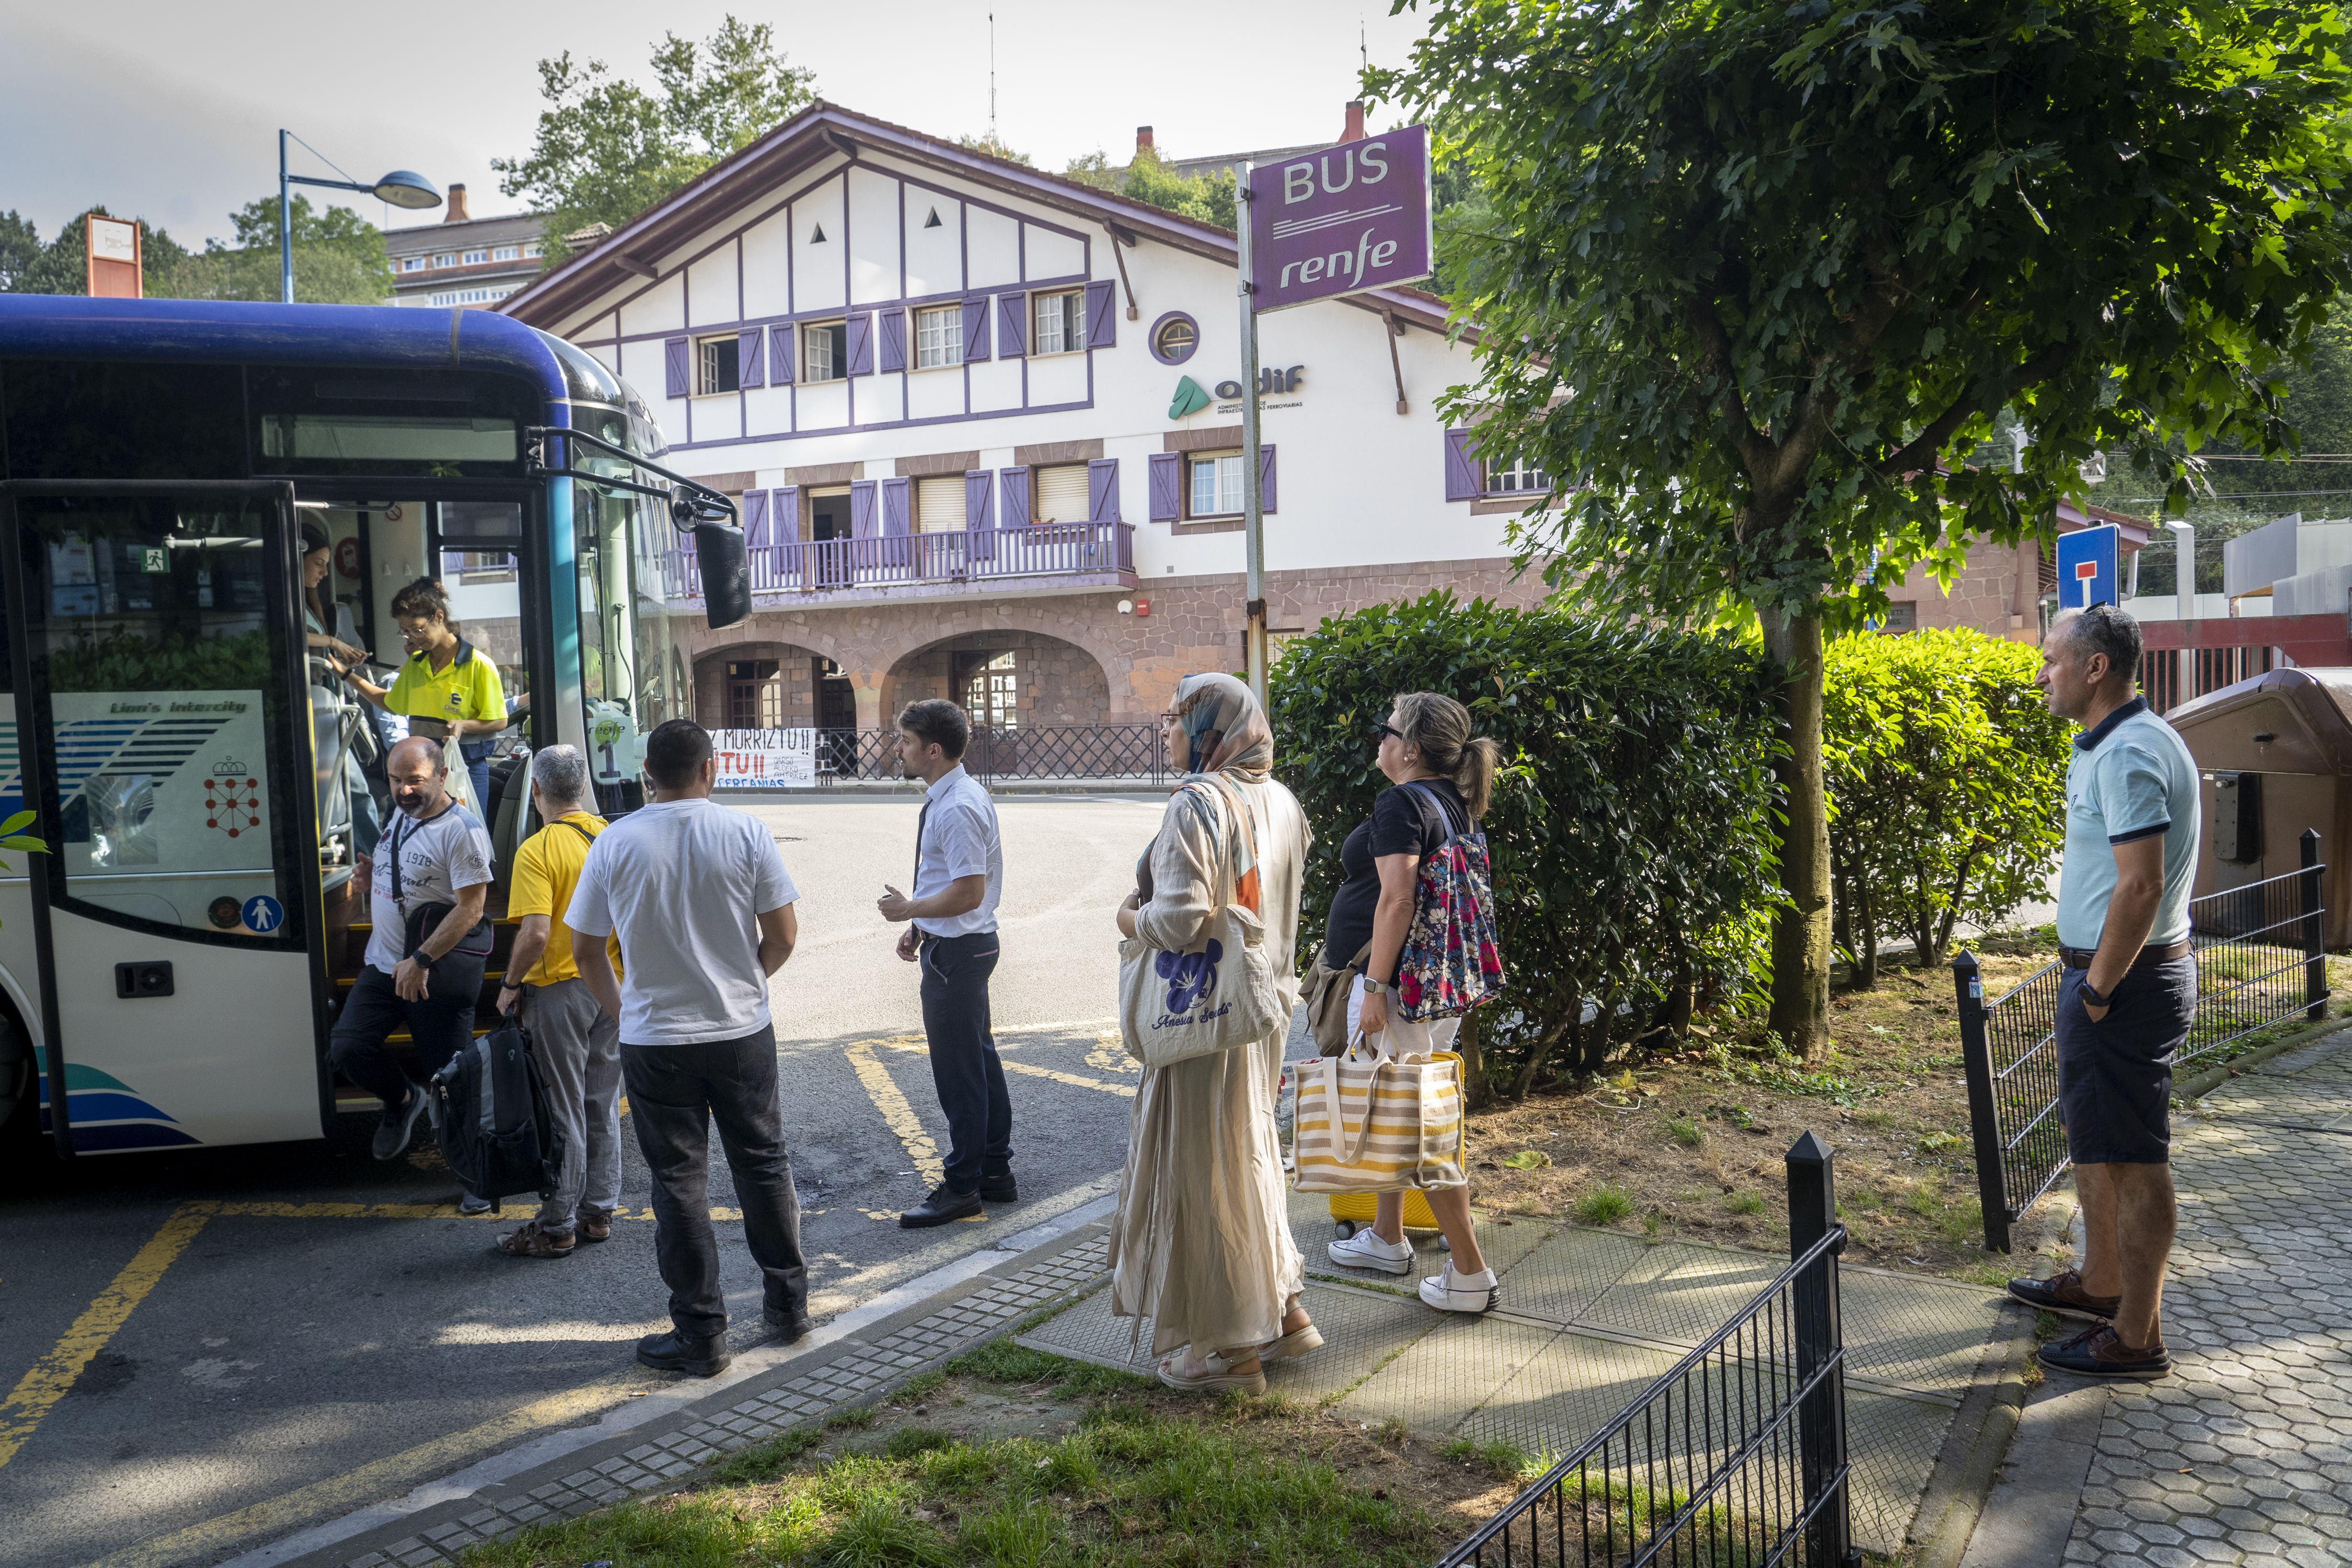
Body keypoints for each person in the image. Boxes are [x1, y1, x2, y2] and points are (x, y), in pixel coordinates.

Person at [568, 719, 809, 1378]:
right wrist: (745, 983)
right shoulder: (746, 832)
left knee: (678, 1184)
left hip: (656, 1041)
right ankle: (788, 1307)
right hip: (740, 1031)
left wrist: (625, 1011)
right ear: (711, 770)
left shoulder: (615, 842)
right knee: (763, 1164)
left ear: (648, 772)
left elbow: (586, 950)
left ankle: (702, 1336)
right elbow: (783, 934)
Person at [1111, 674, 1319, 1395]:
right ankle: (1285, 1312)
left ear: (1210, 729)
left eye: (1176, 717)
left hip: (1202, 1019)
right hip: (1261, 1010)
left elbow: (1178, 920)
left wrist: (1128, 919)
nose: (1165, 729)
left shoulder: (1197, 803)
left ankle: (1229, 1353)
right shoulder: (1282, 800)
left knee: (1205, 1174)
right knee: (1251, 1152)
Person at [2013, 604, 2198, 1380]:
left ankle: (2136, 1338)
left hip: (2121, 982)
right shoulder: (2118, 744)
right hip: (2109, 975)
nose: (2041, 674)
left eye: (2052, 660)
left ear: (2096, 668)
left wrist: (2096, 990)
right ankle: (2099, 1284)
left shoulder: (2127, 753)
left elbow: (2143, 884)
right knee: (2099, 1144)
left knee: (2133, 1158)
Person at [1321, 691, 1504, 1315]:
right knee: (1398, 1112)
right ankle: (1388, 1238)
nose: (1380, 738)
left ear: (1412, 748)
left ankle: (1470, 1274)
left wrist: (1373, 989)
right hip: (1436, 989)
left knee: (1420, 1125)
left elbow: (1397, 899)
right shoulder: (1454, 803)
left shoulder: (1402, 801)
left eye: (1387, 728)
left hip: (1398, 991)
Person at [876, 699, 1015, 1227]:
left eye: (906, 742)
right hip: (962, 945)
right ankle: (995, 1172)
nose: (899, 749)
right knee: (979, 1062)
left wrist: (911, 910)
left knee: (960, 1074)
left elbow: (968, 892)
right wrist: (921, 925)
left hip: (959, 952)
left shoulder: (957, 806)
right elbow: (954, 888)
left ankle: (962, 1187)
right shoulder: (956, 794)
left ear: (933, 750)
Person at [328, 735, 495, 1165]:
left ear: (442, 775)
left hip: (431, 973)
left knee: (452, 1079)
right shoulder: (400, 815)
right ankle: (403, 1100)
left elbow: (472, 908)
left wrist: (421, 960)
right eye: (396, 780)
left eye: (415, 780)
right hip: (384, 966)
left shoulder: (463, 832)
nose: (404, 790)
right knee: (347, 1049)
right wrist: (373, 877)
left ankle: (474, 1174)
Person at [493, 745, 624, 1260]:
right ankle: (598, 1212)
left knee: (564, 1106)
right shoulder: (611, 837)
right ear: (585, 786)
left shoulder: (538, 849)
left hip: (561, 991)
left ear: (537, 792)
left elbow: (536, 932)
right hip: (612, 985)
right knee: (602, 1101)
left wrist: (508, 984)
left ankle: (557, 1223)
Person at [341, 577, 508, 811]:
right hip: (421, 775)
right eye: (406, 632)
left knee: (465, 838)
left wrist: (465, 725)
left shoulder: (477, 665)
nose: (413, 638)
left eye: (418, 629)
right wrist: (346, 674)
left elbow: (500, 720)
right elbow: (390, 703)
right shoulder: (417, 664)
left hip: (464, 769)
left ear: (439, 617)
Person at [302, 523, 381, 869]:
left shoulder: (309, 606)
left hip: (325, 708)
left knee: (353, 791)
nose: (323, 572)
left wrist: (345, 660)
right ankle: (383, 866)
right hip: (314, 712)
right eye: (318, 562)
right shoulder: (286, 603)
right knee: (354, 791)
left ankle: (378, 862)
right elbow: (294, 637)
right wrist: (334, 643)